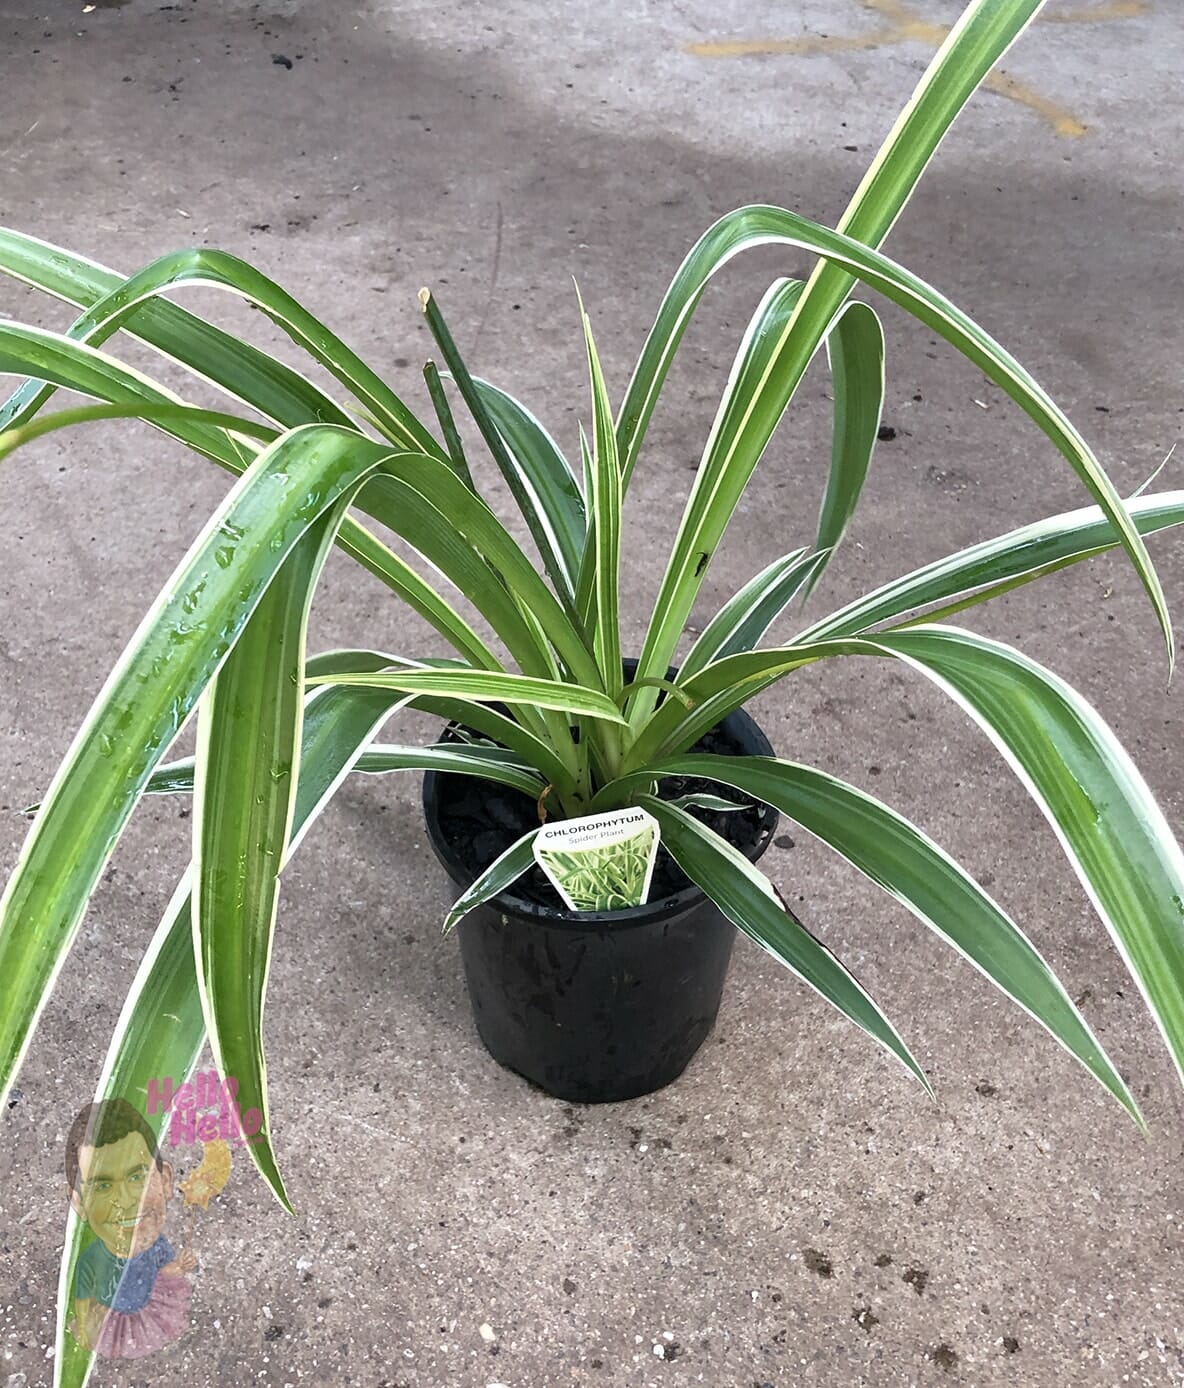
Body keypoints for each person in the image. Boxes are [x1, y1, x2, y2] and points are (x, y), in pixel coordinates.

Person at [64, 1098, 195, 1359]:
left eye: (137, 1177)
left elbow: (166, 1278)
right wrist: (86, 1327)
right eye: (102, 1186)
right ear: (79, 1203)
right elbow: (83, 1303)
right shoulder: (91, 1260)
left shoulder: (158, 1246)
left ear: (166, 1180)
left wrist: (179, 1267)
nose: (125, 1201)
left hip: (149, 1313)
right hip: (114, 1323)